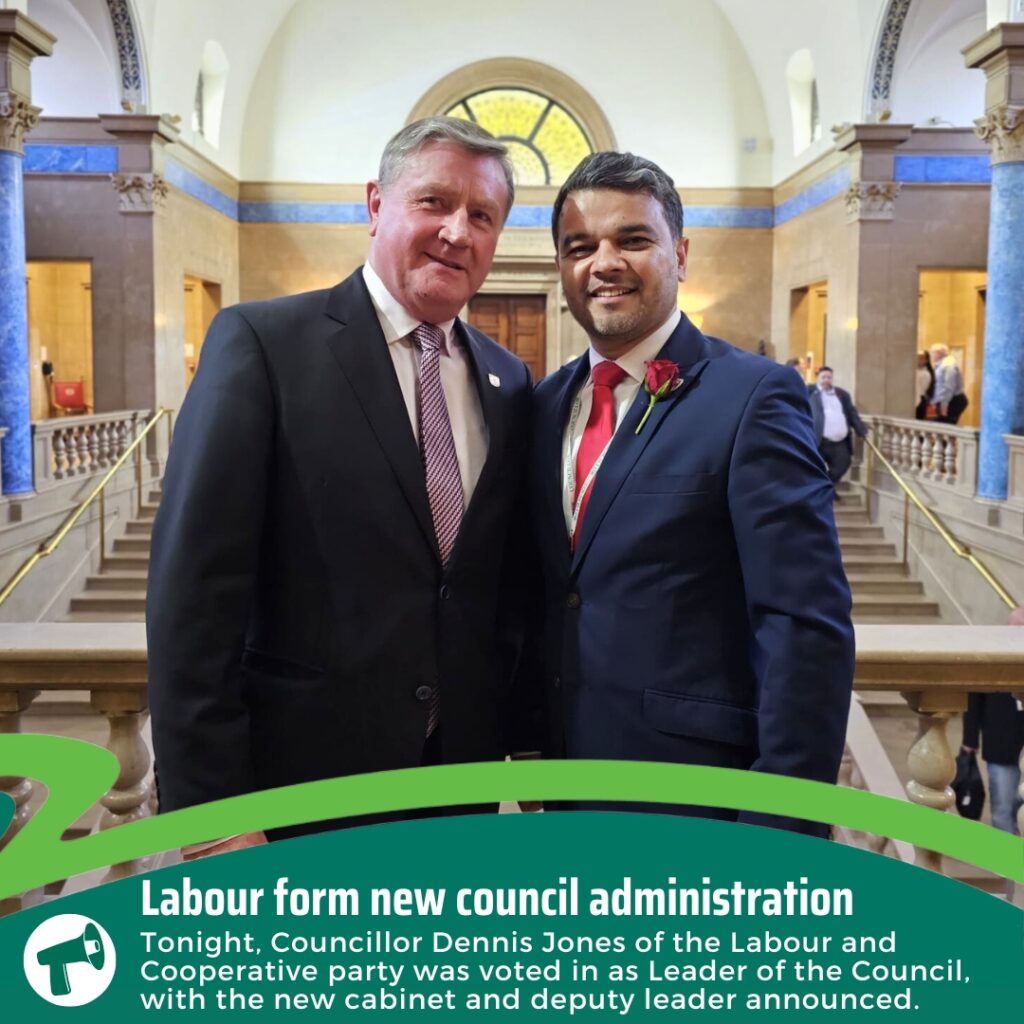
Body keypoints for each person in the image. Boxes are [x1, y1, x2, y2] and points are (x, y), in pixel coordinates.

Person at [147, 117, 533, 855]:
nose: (457, 231)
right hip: (298, 791)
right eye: (435, 202)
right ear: (375, 204)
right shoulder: (263, 345)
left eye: (482, 216)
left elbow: (492, 587)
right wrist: (212, 814)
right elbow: (193, 598)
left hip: (458, 789)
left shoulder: (507, 380)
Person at [529, 152, 854, 837]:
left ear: (679, 252)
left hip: (699, 799)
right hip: (560, 790)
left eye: (632, 240)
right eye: (580, 247)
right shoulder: (545, 404)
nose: (604, 262)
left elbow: (804, 624)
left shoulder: (753, 397)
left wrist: (785, 827)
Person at [960, 606, 1024, 836]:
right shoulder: (991, 659)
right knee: (1002, 809)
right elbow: (973, 703)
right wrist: (969, 741)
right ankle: (1010, 865)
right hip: (1001, 746)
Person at [808, 366, 867, 492]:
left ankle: (826, 487)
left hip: (840, 442)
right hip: (820, 441)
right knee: (815, 467)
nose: (826, 380)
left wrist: (860, 430)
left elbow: (852, 413)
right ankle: (824, 490)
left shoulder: (842, 394)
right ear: (818, 378)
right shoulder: (810, 392)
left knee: (844, 464)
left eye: (829, 377)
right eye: (823, 377)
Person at [930, 344, 968, 424]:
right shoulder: (940, 365)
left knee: (946, 426)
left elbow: (949, 386)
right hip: (945, 400)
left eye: (932, 353)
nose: (931, 355)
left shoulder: (948, 365)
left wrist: (944, 404)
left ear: (939, 353)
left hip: (952, 400)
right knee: (940, 426)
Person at [914, 350, 934, 421]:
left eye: (920, 358)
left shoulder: (925, 374)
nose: (917, 360)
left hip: (919, 400)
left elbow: (921, 389)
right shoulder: (915, 371)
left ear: (926, 361)